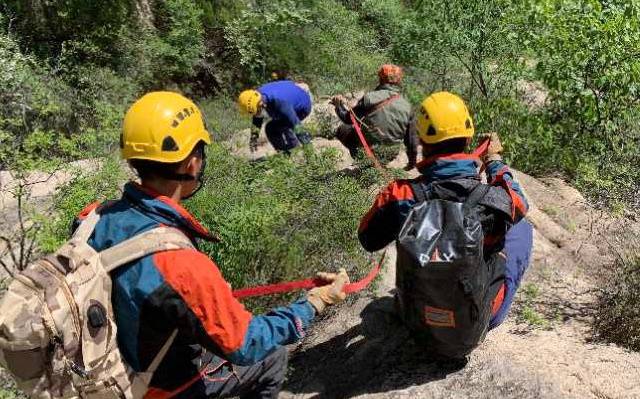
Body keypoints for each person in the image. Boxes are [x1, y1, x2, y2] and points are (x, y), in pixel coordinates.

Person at [75, 91, 350, 398]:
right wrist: (316, 301)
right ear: (193, 163)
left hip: (103, 368)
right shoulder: (178, 264)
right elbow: (245, 344)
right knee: (271, 359)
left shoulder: (91, 218)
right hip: (157, 387)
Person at [357, 91, 533, 351]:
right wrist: (494, 161)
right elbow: (519, 203)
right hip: (476, 319)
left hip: (414, 316)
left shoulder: (400, 195)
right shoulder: (493, 199)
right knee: (522, 227)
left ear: (423, 141)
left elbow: (369, 239)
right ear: (468, 136)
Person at [330, 64, 416, 169]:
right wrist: (411, 164)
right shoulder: (407, 106)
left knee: (342, 130)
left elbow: (348, 119)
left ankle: (363, 162)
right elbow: (411, 140)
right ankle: (377, 165)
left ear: (380, 79)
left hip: (367, 151)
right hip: (390, 154)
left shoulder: (369, 98)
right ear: (399, 81)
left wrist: (338, 106)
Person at [238, 80, 312, 154]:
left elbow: (296, 125)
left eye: (258, 110)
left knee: (274, 126)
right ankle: (287, 152)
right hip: (289, 93)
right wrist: (254, 138)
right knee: (274, 124)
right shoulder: (256, 96)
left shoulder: (280, 103)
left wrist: (309, 149)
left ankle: (293, 149)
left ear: (261, 104)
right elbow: (257, 117)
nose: (258, 114)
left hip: (303, 106)